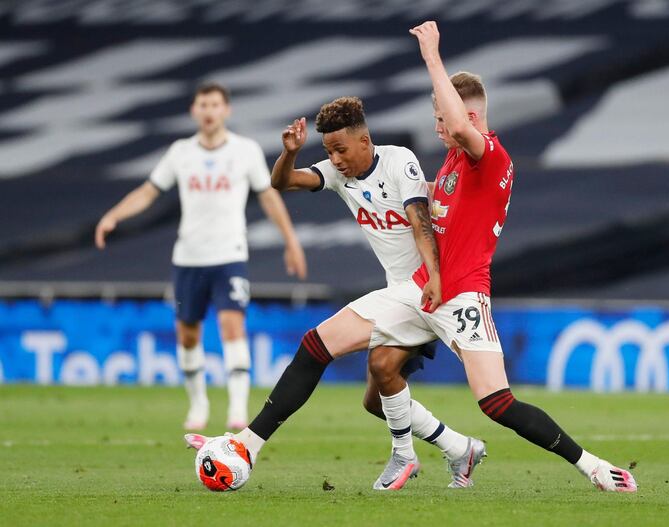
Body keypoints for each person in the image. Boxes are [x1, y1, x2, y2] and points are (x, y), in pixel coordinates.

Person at [365, 21, 638, 493]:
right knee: (372, 375)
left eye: (441, 119)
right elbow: (439, 200)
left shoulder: (488, 156)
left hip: (465, 294)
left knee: (496, 402)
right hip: (424, 291)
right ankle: (452, 448)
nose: (437, 128)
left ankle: (592, 465)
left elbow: (456, 127)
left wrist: (432, 57)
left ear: (468, 119)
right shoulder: (453, 163)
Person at [186, 96, 486, 489]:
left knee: (318, 345)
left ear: (365, 141)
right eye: (328, 151)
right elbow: (283, 182)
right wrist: (289, 154)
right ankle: (460, 448)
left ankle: (250, 443)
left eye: (341, 149)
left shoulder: (399, 161)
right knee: (376, 397)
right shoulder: (338, 172)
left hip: (429, 292)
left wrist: (433, 276)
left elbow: (420, 224)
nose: (336, 159)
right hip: (399, 293)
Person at [95, 82, 307, 431]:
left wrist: (291, 241)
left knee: (231, 325)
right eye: (202, 105)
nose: (208, 111)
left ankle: (238, 410)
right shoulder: (181, 152)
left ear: (226, 110)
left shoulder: (245, 151)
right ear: (194, 111)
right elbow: (150, 191)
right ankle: (198, 405)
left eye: (214, 104)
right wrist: (114, 215)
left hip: (230, 254)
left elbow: (269, 197)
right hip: (189, 257)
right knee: (188, 334)